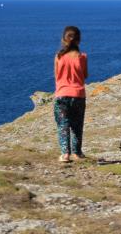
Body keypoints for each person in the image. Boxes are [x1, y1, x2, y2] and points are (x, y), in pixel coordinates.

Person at [53, 26, 88, 163]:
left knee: (63, 125)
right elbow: (85, 75)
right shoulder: (82, 57)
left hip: (62, 94)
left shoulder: (59, 57)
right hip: (78, 94)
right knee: (77, 125)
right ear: (79, 40)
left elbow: (56, 77)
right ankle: (77, 153)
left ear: (64, 39)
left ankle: (65, 154)